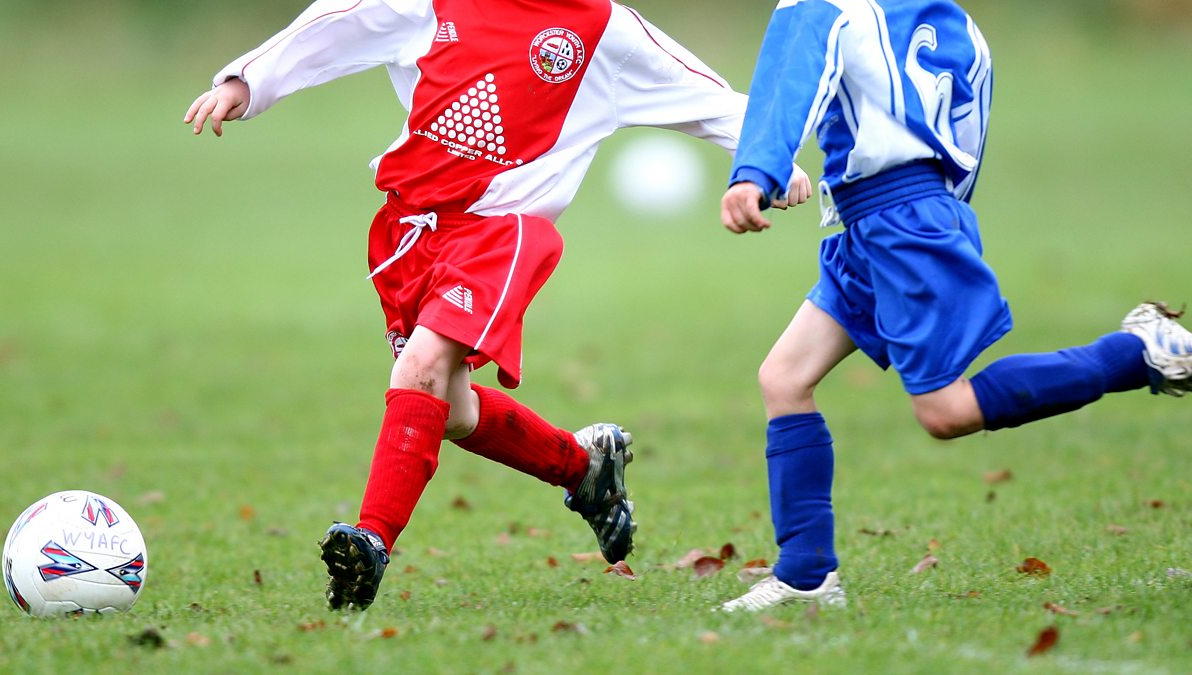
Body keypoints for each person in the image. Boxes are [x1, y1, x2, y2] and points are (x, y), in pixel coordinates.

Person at [185, 0, 811, 611]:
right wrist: (249, 79)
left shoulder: (602, 26)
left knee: (421, 369)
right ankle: (583, 466)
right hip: (412, 233)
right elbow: (341, 22)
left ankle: (371, 540)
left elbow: (704, 96)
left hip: (501, 233)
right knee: (448, 409)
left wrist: (768, 160)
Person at [717, 0, 1192, 612]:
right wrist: (938, 215)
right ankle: (807, 574)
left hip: (894, 225)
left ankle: (1139, 352)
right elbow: (966, 124)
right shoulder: (952, 20)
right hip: (888, 221)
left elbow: (790, 81)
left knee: (944, 411)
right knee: (784, 378)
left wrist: (754, 172)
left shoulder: (819, 7)